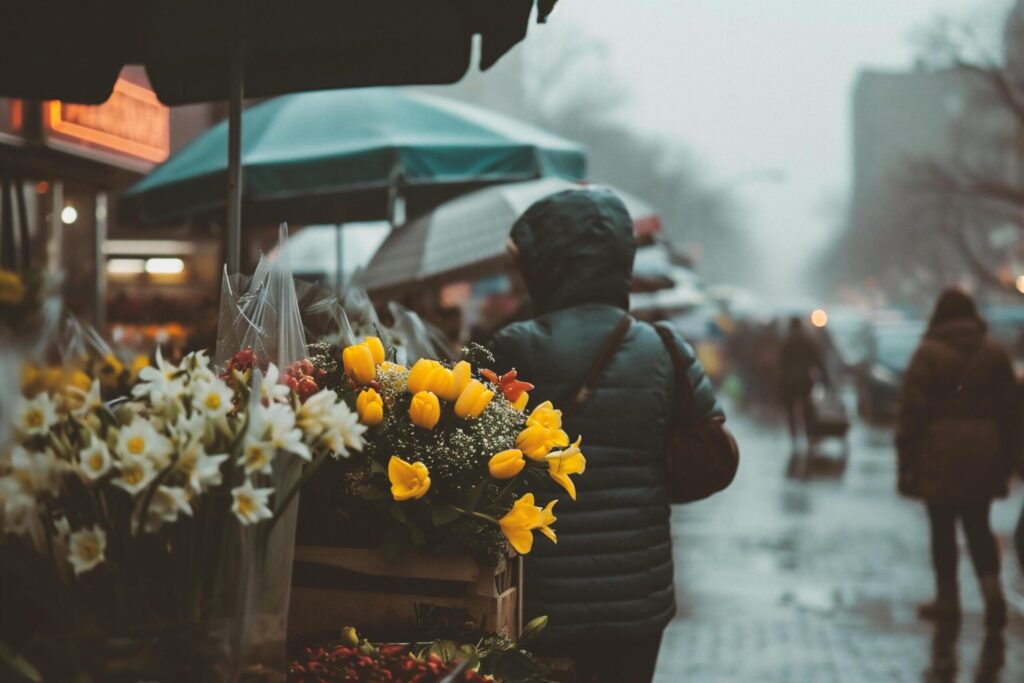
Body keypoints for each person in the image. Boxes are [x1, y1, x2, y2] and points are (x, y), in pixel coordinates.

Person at [490, 189, 725, 683]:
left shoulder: (513, 346)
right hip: (637, 602)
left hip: (541, 598)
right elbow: (714, 455)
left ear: (546, 263)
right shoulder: (665, 347)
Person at [897, 289, 1018, 629]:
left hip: (939, 451)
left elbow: (912, 413)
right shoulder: (995, 353)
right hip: (985, 450)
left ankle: (947, 600)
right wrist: (1011, 459)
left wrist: (907, 460)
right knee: (980, 526)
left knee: (942, 528)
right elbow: (1011, 412)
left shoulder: (927, 354)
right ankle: (993, 596)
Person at [778, 316, 828, 446]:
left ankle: (794, 436)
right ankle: (809, 434)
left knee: (791, 411)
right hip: (805, 381)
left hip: (789, 382)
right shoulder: (807, 340)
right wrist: (826, 379)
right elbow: (817, 361)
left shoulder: (786, 342)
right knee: (807, 409)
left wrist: (778, 384)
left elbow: (781, 365)